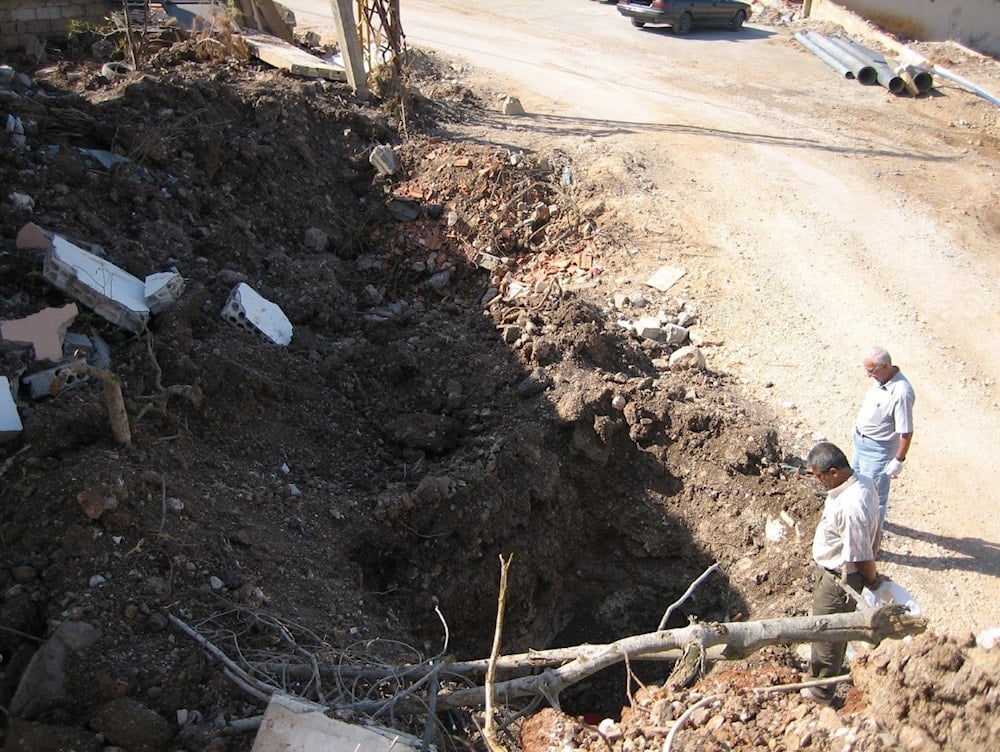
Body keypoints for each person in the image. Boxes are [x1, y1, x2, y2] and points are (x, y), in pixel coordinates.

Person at [801, 441, 882, 704]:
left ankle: (820, 694)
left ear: (834, 472)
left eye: (819, 477)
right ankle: (823, 676)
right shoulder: (862, 483)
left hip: (839, 579)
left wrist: (873, 580)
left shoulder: (851, 506)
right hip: (832, 571)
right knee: (828, 631)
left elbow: (860, 555)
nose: (819, 482)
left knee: (827, 632)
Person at [851, 346, 915, 526]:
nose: (868, 375)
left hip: (877, 452)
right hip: (861, 443)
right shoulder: (881, 380)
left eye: (871, 371)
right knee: (855, 486)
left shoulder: (901, 393)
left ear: (886, 366)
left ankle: (871, 540)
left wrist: (898, 460)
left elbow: (906, 430)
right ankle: (858, 523)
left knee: (874, 497)